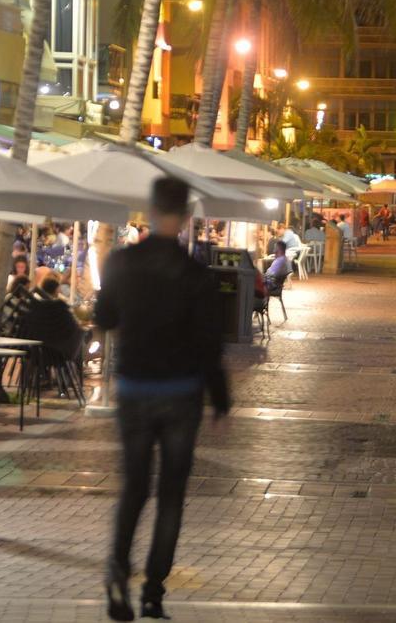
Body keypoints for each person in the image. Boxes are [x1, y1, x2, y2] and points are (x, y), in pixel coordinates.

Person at [94, 177, 230, 621]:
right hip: (181, 393)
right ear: (187, 218)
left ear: (149, 211)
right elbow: (210, 343)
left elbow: (105, 317)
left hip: (134, 388)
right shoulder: (195, 275)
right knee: (171, 494)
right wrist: (220, 398)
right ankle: (153, 590)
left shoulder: (121, 262)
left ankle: (118, 570)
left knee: (133, 487)